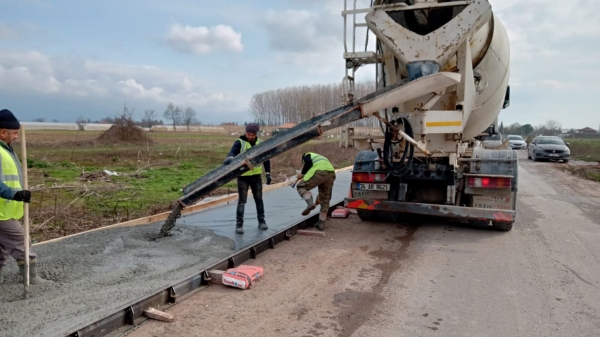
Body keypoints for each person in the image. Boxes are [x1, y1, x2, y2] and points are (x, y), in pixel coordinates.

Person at [0, 109, 38, 284]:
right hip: (2, 212)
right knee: (22, 242)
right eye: (14, 133)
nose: (16, 137)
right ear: (2, 132)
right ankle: (32, 278)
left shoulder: (6, 150)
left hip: (7, 209)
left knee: (1, 247)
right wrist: (15, 194)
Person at [223, 123, 271, 234]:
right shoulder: (240, 142)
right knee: (242, 201)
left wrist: (268, 173)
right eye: (248, 134)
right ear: (246, 132)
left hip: (256, 177)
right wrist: (230, 157)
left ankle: (262, 222)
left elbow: (267, 159)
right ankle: (239, 225)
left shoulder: (260, 143)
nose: (250, 136)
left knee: (259, 200)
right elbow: (233, 151)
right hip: (243, 177)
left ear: (256, 134)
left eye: (252, 135)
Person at [296, 152, 336, 231]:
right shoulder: (320, 157)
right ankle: (321, 224)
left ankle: (310, 204)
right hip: (331, 174)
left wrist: (302, 174)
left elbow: (308, 162)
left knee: (301, 186)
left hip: (319, 171)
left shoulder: (307, 155)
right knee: (325, 200)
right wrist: (322, 196)